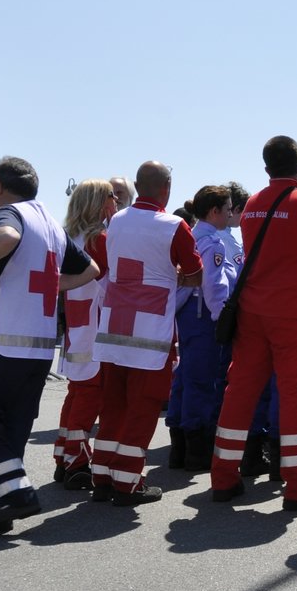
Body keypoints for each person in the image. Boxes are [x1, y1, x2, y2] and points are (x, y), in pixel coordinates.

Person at [0, 156, 97, 533]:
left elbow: (5, 238)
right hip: (36, 344)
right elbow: (90, 270)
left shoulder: (12, 214)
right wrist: (54, 287)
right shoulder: (49, 224)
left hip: (0, 338)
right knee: (12, 425)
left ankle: (15, 494)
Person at [210, 135, 297, 510]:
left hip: (252, 313)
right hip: (295, 315)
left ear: (266, 168)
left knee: (240, 394)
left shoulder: (251, 205)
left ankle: (223, 478)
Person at [89, 161, 202, 506]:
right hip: (151, 334)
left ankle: (103, 477)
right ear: (167, 188)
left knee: (113, 405)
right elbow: (196, 275)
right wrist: (177, 276)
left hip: (114, 326)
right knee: (143, 406)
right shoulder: (175, 226)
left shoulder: (115, 222)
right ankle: (128, 483)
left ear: (138, 186)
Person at [53, 178, 116, 487]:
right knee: (90, 394)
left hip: (77, 326)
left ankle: (64, 456)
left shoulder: (69, 238)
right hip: (95, 326)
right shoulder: (99, 240)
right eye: (112, 198)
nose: (116, 203)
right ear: (99, 203)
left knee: (76, 393)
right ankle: (77, 461)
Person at [169, 185, 237, 472]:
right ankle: (197, 452)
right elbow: (214, 285)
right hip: (204, 317)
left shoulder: (192, 236)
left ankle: (179, 447)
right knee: (203, 381)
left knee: (184, 379)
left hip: (188, 315)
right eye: (228, 208)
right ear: (214, 211)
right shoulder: (212, 242)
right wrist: (222, 318)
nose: (231, 213)